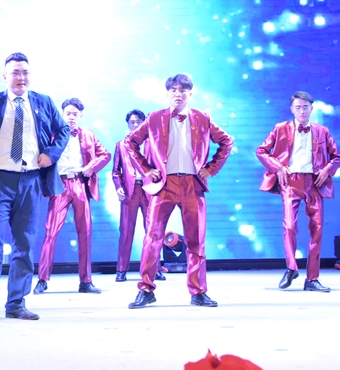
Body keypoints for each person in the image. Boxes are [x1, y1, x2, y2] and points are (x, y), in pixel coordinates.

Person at [0, 52, 69, 325]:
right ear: (5, 77)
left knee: (24, 244)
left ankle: (16, 303)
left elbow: (63, 130)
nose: (21, 77)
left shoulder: (43, 102)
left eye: (25, 72)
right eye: (15, 72)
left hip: (30, 181)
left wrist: (51, 154)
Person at [125, 74, 233, 309]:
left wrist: (211, 168)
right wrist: (146, 169)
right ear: (167, 94)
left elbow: (226, 141)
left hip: (193, 184)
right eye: (173, 90)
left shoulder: (202, 118)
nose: (178, 94)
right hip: (164, 185)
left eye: (182, 90)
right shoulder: (154, 118)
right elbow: (130, 142)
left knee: (196, 240)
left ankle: (198, 291)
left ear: (190, 94)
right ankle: (146, 289)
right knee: (152, 238)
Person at [256, 90, 340, 292]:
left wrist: (327, 170)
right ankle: (291, 268)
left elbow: (336, 157)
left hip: (314, 182)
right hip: (290, 181)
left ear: (312, 109)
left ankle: (312, 278)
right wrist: (278, 167)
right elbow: (261, 151)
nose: (302, 111)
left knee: (317, 229)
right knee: (289, 226)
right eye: (298, 107)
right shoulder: (281, 128)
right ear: (292, 109)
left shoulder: (322, 131)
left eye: (305, 107)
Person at [34, 97, 111, 295]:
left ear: (81, 116)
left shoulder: (89, 135)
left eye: (75, 114)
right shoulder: (51, 135)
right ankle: (42, 279)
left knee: (85, 232)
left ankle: (86, 281)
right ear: (62, 115)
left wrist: (91, 167)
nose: (71, 117)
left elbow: (105, 155)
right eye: (68, 114)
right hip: (59, 184)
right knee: (51, 231)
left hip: (80, 183)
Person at [112, 109, 164, 282]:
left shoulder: (153, 143)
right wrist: (119, 187)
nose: (135, 125)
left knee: (153, 231)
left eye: (138, 122)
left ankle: (156, 269)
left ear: (144, 123)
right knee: (126, 231)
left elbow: (161, 167)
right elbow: (116, 171)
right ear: (128, 124)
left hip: (150, 191)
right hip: (130, 192)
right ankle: (121, 270)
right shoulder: (121, 144)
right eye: (132, 122)